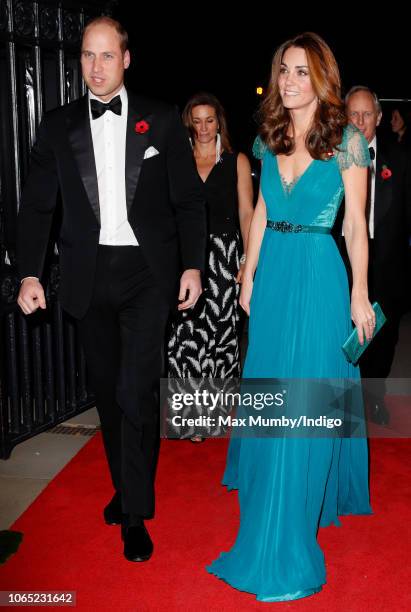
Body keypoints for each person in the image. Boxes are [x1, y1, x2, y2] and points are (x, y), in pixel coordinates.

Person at [16, 17, 206, 562]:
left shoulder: (161, 119)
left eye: (106, 56)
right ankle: (125, 486)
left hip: (148, 274)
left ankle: (135, 513)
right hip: (87, 275)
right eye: (86, 56)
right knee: (106, 392)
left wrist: (192, 267)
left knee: (135, 392)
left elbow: (188, 202)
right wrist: (30, 272)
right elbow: (37, 207)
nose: (94, 67)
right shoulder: (56, 127)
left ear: (126, 59)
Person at [207, 32, 373, 601]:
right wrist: (248, 274)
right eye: (284, 70)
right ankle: (274, 502)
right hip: (274, 277)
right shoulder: (266, 138)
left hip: (320, 278)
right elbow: (258, 215)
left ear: (321, 78)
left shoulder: (348, 142)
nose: (290, 80)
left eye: (302, 71)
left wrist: (359, 294)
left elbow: (355, 225)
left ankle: (291, 523)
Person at [337, 86, 411, 424]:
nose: (360, 120)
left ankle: (374, 397)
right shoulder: (331, 157)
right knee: (342, 333)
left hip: (386, 266)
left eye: (367, 114)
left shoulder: (400, 158)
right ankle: (344, 397)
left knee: (382, 337)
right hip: (341, 261)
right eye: (353, 113)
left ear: (379, 118)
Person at [167, 92, 253, 381]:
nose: (203, 128)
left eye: (209, 121)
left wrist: (247, 261)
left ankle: (217, 404)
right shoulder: (178, 160)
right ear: (189, 124)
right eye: (197, 121)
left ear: (219, 124)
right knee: (185, 329)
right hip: (187, 255)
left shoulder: (236, 160)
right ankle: (187, 405)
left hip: (225, 257)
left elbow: (246, 214)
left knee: (222, 328)